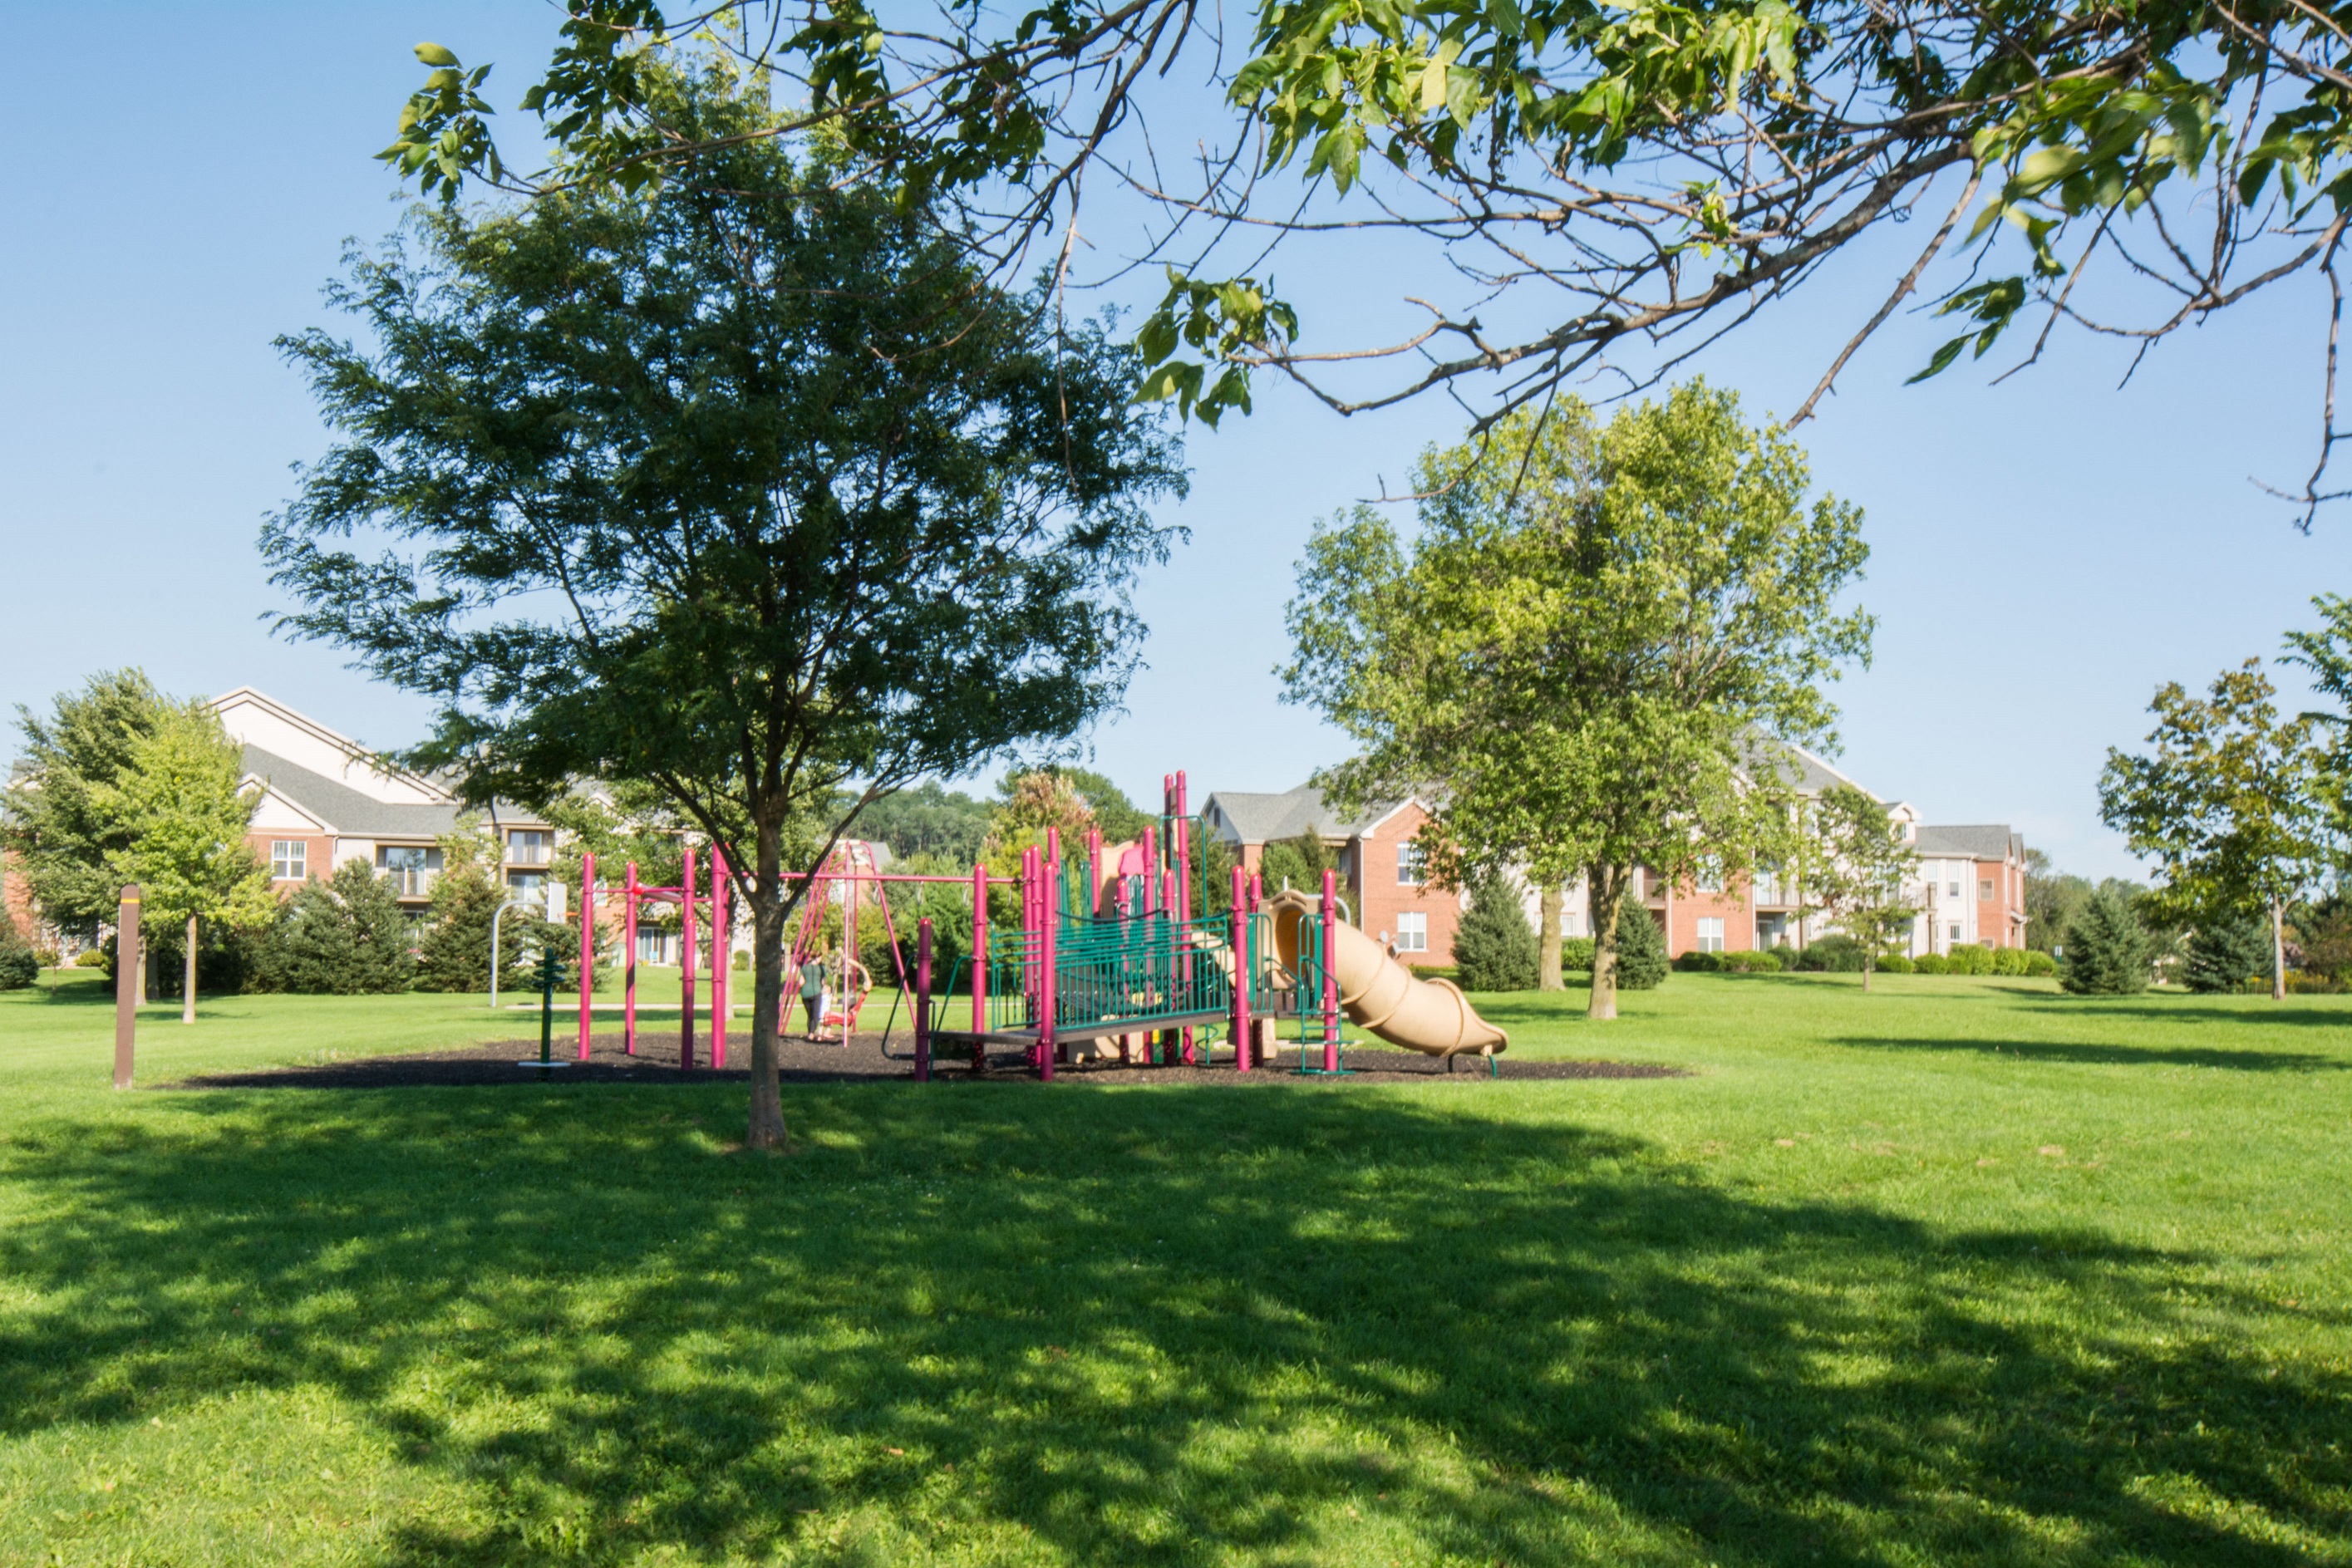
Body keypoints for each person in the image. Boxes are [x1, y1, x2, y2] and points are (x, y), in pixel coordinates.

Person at [798, 949, 826, 1041]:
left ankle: (810, 1033)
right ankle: (811, 1034)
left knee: (810, 1015)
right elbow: (823, 982)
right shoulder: (821, 968)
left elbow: (801, 982)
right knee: (815, 1014)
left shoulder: (805, 968)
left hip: (805, 994)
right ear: (818, 957)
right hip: (816, 992)